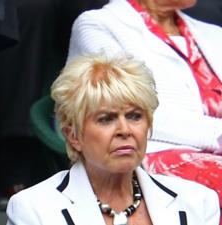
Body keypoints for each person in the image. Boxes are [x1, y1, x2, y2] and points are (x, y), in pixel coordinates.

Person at [6, 54, 219, 225]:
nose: (124, 130)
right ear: (73, 135)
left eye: (135, 116)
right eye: (106, 119)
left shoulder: (197, 202)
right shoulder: (34, 209)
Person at [67, 0, 222, 207]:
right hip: (144, 151)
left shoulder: (212, 34)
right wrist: (217, 135)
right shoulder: (99, 25)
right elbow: (130, 112)